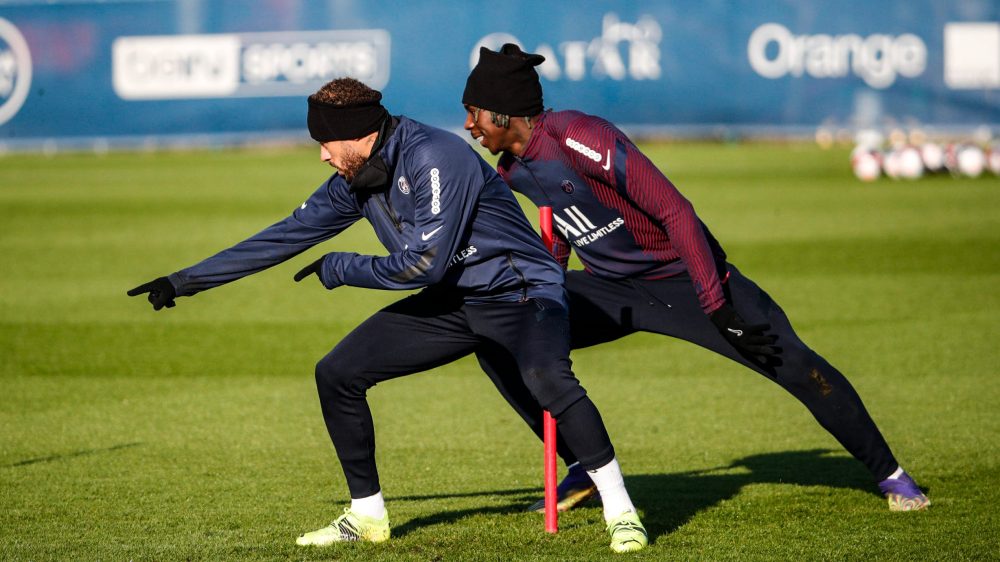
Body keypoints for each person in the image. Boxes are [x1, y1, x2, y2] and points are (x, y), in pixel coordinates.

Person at [127, 77, 649, 552]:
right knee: (337, 374)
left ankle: (621, 510)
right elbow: (286, 234)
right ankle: (367, 515)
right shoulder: (358, 177)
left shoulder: (437, 156)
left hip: (520, 293)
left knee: (544, 376)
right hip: (457, 302)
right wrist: (185, 281)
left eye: (325, 144)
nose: (323, 156)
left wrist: (342, 266)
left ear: (355, 136)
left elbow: (422, 264)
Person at [460, 44, 930, 513]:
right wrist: (545, 297)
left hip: (688, 279)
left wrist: (715, 301)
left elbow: (673, 210)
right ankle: (584, 467)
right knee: (498, 337)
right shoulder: (512, 171)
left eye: (474, 112)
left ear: (503, 113)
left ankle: (891, 475)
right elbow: (562, 228)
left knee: (799, 368)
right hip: (611, 291)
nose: (468, 126)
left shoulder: (579, 135)